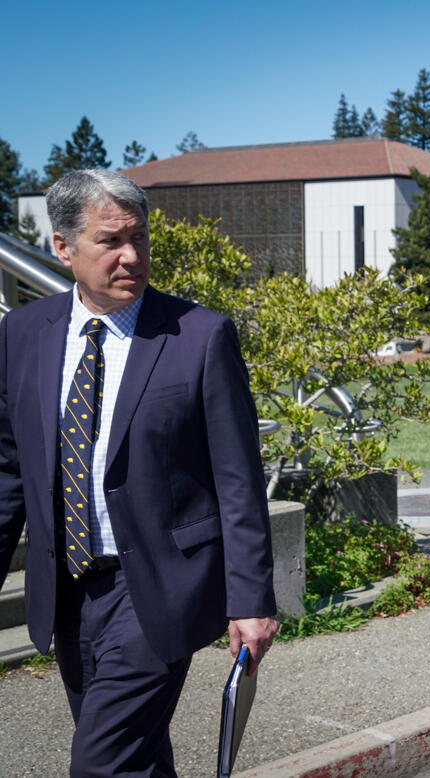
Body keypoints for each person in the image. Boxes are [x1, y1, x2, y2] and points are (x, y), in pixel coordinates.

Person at [0, 170, 278, 776]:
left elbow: (238, 479)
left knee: (102, 764)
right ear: (64, 248)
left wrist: (252, 599)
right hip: (69, 590)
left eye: (140, 238)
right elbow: (9, 473)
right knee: (140, 760)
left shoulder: (198, 336)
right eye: (111, 242)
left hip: (158, 584)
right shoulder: (21, 335)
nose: (132, 256)